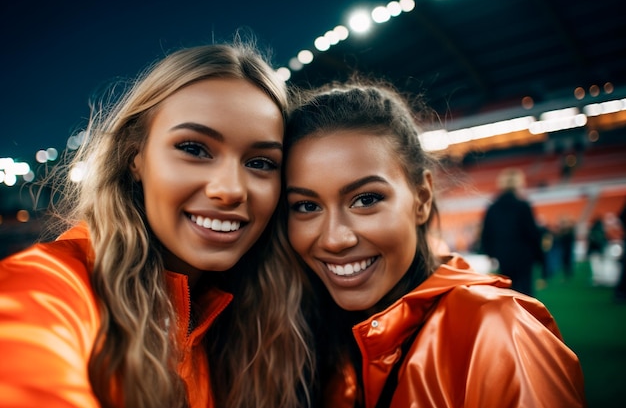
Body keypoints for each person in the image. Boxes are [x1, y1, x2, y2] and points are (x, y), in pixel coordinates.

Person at [0, 42, 312, 408]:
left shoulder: (253, 321)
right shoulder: (47, 289)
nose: (229, 190)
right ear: (135, 156)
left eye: (260, 163)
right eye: (194, 149)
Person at [281, 78, 586, 407]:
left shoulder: (499, 332)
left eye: (366, 199)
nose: (335, 239)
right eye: (306, 206)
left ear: (422, 198)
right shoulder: (303, 340)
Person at [480, 167, 544, 296]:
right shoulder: (523, 206)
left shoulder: (492, 208)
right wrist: (539, 256)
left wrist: (491, 254)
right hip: (524, 257)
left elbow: (486, 234)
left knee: (508, 293)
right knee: (525, 294)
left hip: (502, 257)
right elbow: (532, 234)